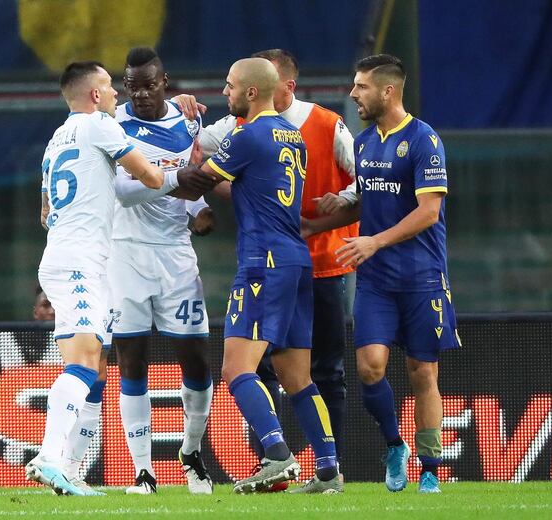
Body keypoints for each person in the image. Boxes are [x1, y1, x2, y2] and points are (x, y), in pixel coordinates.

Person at [58, 47, 216, 495]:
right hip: (123, 254)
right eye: (133, 85)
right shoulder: (111, 125)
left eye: (150, 84)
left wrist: (199, 209)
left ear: (165, 82)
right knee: (132, 361)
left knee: (197, 362)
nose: (142, 93)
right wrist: (178, 184)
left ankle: (191, 453)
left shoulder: (190, 123)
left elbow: (193, 178)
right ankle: (143, 472)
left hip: (176, 255)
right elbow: (123, 192)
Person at [303, 54, 461, 494]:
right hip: (375, 279)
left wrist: (373, 241)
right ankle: (395, 445)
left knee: (422, 372)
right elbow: (369, 205)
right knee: (370, 368)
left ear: (388, 90)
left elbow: (428, 213)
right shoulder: (364, 143)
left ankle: (430, 468)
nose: (354, 94)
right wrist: (318, 224)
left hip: (422, 276)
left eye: (361, 87)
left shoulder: (425, 140)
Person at [197, 49, 357, 484]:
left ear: (251, 91)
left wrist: (154, 174)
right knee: (296, 374)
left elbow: (200, 181)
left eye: (230, 85)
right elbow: (250, 189)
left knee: (236, 369)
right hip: (296, 260)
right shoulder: (293, 136)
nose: (224, 92)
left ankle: (277, 453)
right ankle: (329, 468)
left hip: (262, 262)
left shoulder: (247, 135)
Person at [27, 60, 165, 497]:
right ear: (93, 96)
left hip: (64, 256)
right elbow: (152, 175)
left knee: (91, 366)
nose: (116, 94)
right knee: (85, 362)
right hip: (81, 262)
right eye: (109, 87)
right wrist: (174, 169)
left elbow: (46, 212)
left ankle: (67, 469)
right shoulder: (99, 126)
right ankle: (49, 457)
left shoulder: (55, 141)